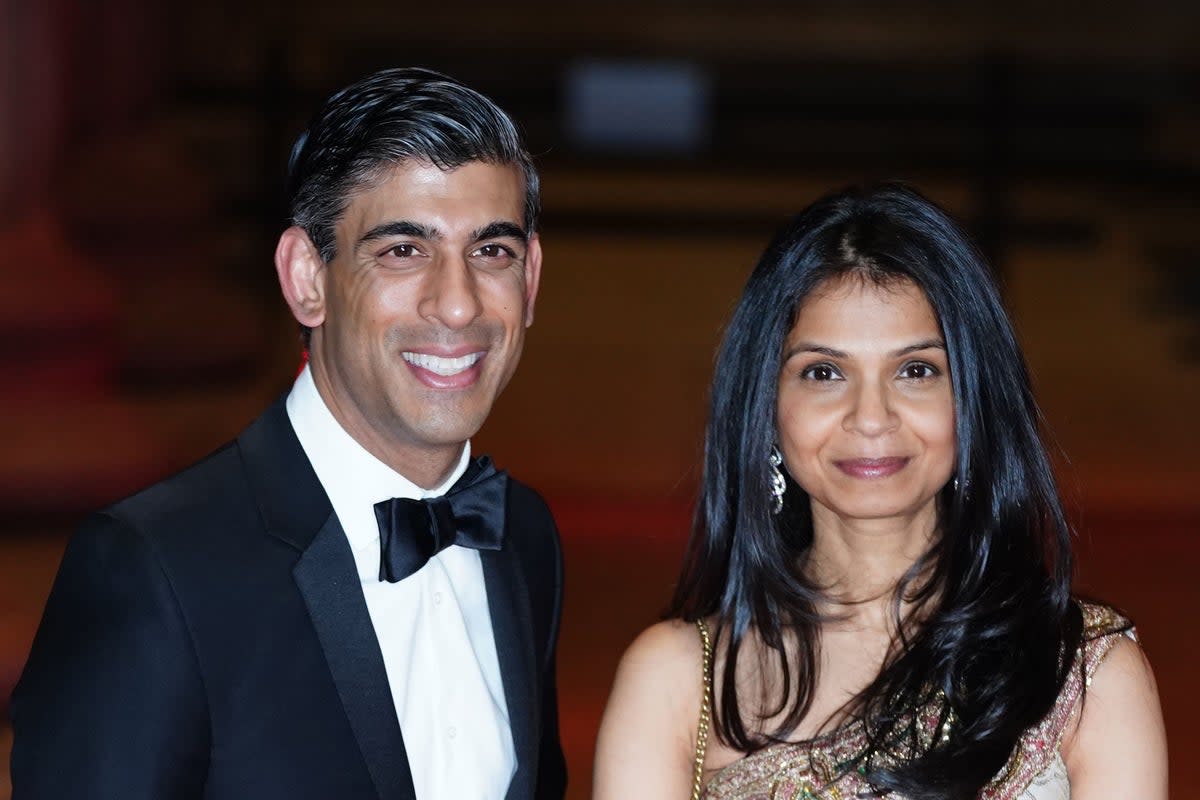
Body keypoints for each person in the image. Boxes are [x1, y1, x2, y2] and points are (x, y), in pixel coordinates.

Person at [12, 67, 566, 800]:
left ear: (528, 280)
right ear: (307, 276)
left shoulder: (522, 537)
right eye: (403, 250)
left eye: (490, 251)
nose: (458, 305)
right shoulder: (152, 569)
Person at [593, 184, 1166, 799]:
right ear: (767, 408)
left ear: (973, 401)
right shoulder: (679, 681)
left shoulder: (1080, 675)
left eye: (916, 371)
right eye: (824, 372)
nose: (871, 417)